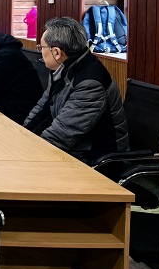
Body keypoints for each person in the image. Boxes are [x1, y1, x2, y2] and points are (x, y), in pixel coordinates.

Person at [25, 17, 129, 163]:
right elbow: (43, 108)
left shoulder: (90, 84)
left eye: (41, 47)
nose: (40, 52)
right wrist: (23, 135)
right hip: (73, 150)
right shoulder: (63, 68)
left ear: (56, 52)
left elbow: (61, 135)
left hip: (97, 161)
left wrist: (27, 151)